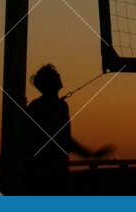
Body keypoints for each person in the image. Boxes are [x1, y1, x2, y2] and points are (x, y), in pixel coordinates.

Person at [24, 64, 113, 194]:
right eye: (56, 75)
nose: (59, 76)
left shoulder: (40, 106)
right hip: (48, 172)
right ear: (49, 83)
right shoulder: (56, 107)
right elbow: (65, 140)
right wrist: (91, 154)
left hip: (47, 169)